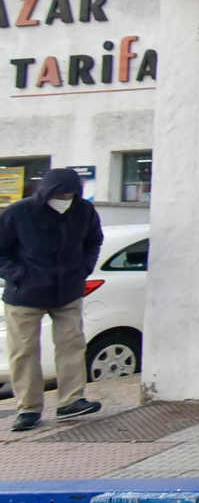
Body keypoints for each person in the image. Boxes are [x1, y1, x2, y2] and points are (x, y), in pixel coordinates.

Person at [0, 168, 105, 431]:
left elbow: (94, 241)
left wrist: (84, 268)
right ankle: (28, 408)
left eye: (70, 194)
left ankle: (71, 400)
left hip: (68, 290)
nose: (65, 199)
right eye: (59, 195)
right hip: (24, 294)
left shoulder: (84, 211)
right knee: (24, 350)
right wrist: (18, 275)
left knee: (72, 344)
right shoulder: (18, 213)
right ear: (46, 192)